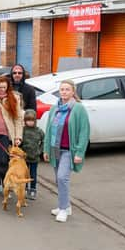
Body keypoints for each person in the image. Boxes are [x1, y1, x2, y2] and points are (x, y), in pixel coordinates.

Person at [43, 79, 90, 223]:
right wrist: (46, 149)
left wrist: (79, 153)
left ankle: (63, 209)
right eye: (62, 89)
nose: (64, 92)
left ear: (73, 92)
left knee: (63, 178)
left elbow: (84, 132)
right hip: (55, 149)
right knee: (59, 180)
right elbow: (49, 130)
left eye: (67, 89)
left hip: (69, 150)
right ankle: (66, 206)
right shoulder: (54, 108)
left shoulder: (78, 108)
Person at [20, 109, 44, 200]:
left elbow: (44, 141)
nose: (30, 122)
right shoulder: (23, 130)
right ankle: (25, 188)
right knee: (24, 173)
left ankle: (33, 189)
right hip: (24, 158)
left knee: (33, 174)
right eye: (27, 120)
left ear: (35, 121)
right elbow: (19, 140)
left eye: (32, 120)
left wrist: (40, 151)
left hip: (34, 157)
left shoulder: (39, 131)